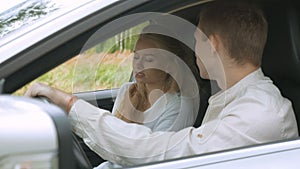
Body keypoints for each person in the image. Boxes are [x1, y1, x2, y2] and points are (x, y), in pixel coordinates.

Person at [25, 1, 299, 168]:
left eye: (197, 39)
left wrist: (70, 105)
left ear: (212, 43)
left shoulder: (258, 112)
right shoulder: (238, 99)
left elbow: (159, 151)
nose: (194, 49)